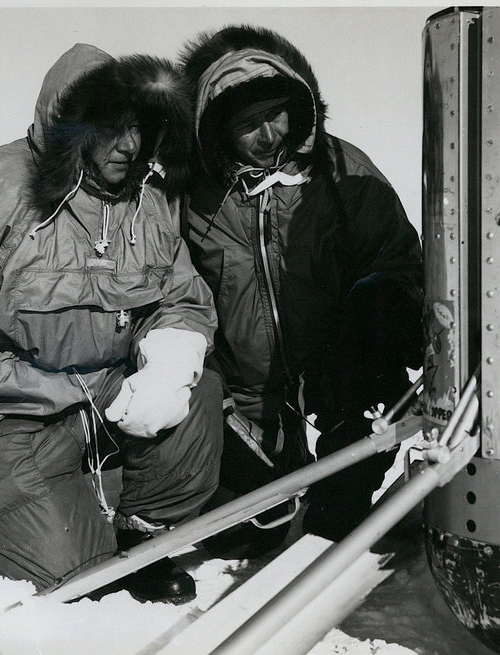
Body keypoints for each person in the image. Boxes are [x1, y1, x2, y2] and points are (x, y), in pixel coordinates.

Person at [0, 44, 222, 603]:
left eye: (139, 128)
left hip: (108, 395)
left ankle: (142, 535)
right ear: (73, 126)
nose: (129, 145)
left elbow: (181, 298)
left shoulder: (151, 198)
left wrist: (165, 372)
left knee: (200, 397)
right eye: (111, 128)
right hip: (14, 410)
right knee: (74, 579)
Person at [179, 26, 424, 546]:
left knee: (332, 515)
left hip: (336, 375)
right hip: (244, 392)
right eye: (248, 124)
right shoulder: (191, 195)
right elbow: (174, 295)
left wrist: (380, 326)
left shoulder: (341, 171)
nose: (269, 135)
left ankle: (341, 496)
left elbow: (399, 266)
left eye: (276, 114)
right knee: (250, 532)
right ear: (218, 132)